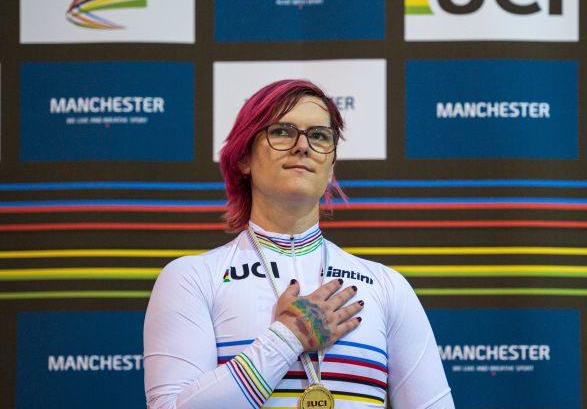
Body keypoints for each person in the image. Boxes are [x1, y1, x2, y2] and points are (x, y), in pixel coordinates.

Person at [143, 79, 454, 408]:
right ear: (243, 158)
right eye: (282, 131)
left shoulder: (386, 285)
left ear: (331, 166)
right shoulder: (193, 277)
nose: (302, 146)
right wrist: (287, 337)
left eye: (319, 136)